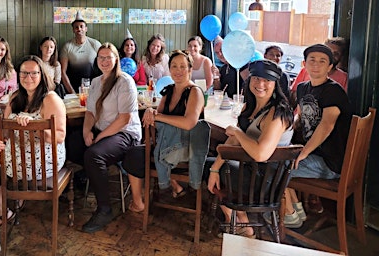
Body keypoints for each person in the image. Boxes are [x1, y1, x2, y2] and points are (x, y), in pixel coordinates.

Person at [207, 59, 294, 238]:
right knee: (209, 165)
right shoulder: (251, 106)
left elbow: (261, 154)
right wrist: (215, 168)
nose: (260, 84)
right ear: (249, 80)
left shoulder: (278, 113)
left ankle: (241, 223)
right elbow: (232, 142)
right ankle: (239, 220)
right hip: (251, 170)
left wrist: (239, 133)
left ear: (276, 84)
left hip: (265, 182)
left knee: (208, 168)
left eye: (267, 80)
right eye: (256, 78)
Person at [0, 55, 67, 225]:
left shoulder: (50, 99)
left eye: (34, 73)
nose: (28, 78)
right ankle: (4, 210)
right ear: (18, 75)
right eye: (24, 73)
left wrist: (34, 127)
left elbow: (60, 137)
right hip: (15, 157)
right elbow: (3, 131)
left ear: (42, 75)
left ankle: (3, 211)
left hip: (42, 162)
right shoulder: (15, 98)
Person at [281, 44, 351, 227]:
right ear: (304, 63)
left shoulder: (333, 91)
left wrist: (303, 152)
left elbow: (327, 125)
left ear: (330, 67)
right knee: (275, 156)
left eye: (322, 61)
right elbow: (301, 119)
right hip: (312, 153)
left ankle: (289, 215)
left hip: (328, 161)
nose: (316, 65)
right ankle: (295, 209)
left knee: (275, 167)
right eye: (312, 60)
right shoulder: (304, 88)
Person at [80, 43, 141, 233]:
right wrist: (86, 132)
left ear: (116, 59)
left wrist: (99, 138)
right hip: (103, 131)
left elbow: (125, 119)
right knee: (72, 144)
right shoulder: (97, 82)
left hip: (125, 133)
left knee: (94, 155)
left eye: (109, 57)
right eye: (101, 58)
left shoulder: (125, 82)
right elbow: (90, 112)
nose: (105, 61)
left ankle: (105, 209)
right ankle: (85, 182)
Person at [142, 50, 206, 199]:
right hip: (168, 143)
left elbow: (189, 123)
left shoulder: (194, 92)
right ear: (169, 69)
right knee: (135, 153)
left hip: (186, 146)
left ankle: (170, 184)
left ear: (190, 69)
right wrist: (151, 111)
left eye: (183, 67)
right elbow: (156, 119)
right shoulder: (169, 91)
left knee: (145, 153)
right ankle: (171, 185)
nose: (178, 71)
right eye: (174, 66)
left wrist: (159, 117)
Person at [60, 11, 102, 93]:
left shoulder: (95, 44)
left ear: (86, 28)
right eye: (76, 27)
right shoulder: (67, 47)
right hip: (73, 87)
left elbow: (104, 65)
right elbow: (62, 72)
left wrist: (100, 88)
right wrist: (72, 92)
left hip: (93, 87)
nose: (79, 29)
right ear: (73, 30)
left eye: (81, 26)